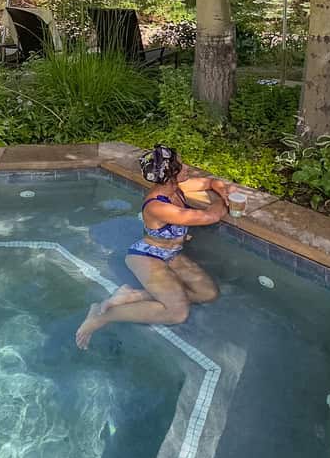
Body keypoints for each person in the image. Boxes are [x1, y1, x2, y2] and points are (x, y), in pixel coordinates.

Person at [76, 145, 230, 349]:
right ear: (169, 175)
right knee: (177, 313)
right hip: (148, 256)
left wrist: (221, 191)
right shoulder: (157, 205)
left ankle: (133, 295)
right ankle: (103, 317)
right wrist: (226, 202)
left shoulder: (177, 188)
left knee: (209, 294)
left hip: (171, 254)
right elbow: (209, 216)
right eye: (180, 165)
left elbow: (212, 182)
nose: (187, 168)